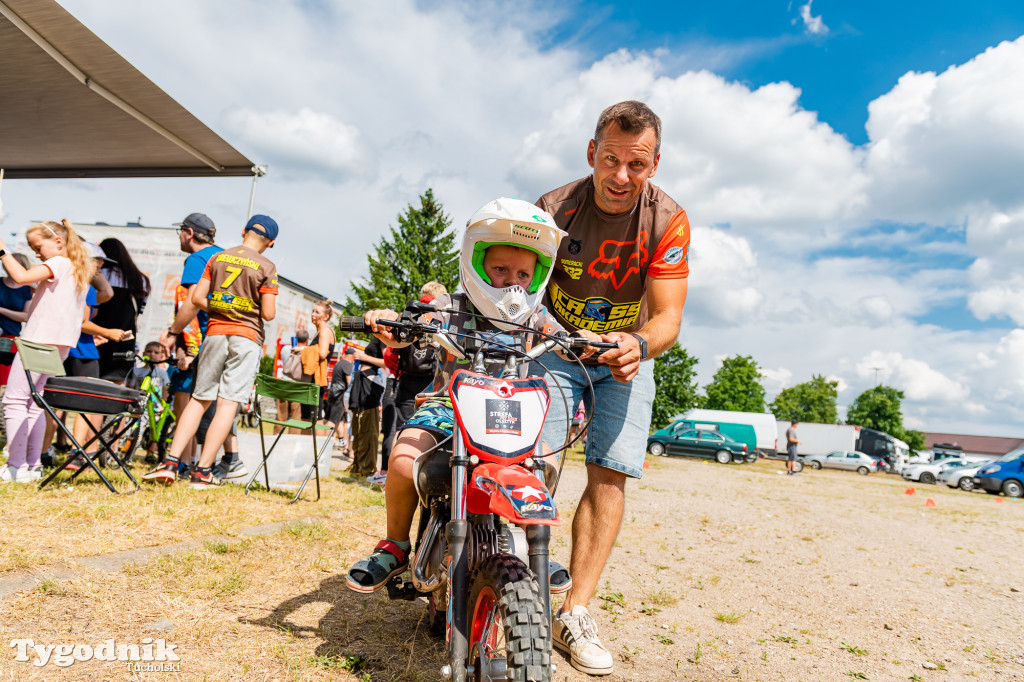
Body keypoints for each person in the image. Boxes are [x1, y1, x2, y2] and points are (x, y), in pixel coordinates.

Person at [345, 197, 599, 593]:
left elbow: (563, 337)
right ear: (475, 263)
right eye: (499, 269)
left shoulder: (537, 317)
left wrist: (585, 341)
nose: (510, 281)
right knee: (402, 456)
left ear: (536, 277)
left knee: (544, 462)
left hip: (511, 411)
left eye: (522, 273)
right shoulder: (453, 305)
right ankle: (395, 545)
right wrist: (392, 325)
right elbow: (418, 323)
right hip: (449, 406)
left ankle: (536, 547)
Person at [535, 101, 690, 676]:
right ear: (591, 154)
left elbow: (668, 317)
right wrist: (551, 332)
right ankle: (520, 592)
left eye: (638, 163)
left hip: (627, 353)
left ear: (655, 164)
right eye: (611, 159)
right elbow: (517, 291)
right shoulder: (551, 210)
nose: (622, 176)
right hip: (552, 342)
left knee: (610, 475)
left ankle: (573, 611)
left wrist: (639, 347)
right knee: (533, 463)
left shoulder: (669, 219)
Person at [141, 215, 278, 488]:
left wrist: (221, 307)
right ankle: (203, 470)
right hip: (247, 335)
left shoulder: (217, 258)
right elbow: (269, 313)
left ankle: (170, 462)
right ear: (270, 243)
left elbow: (196, 298)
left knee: (199, 399)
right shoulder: (267, 266)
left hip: (215, 332)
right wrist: (243, 308)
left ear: (243, 231)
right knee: (228, 403)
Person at [0, 221, 93, 482]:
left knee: (15, 400)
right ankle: (31, 465)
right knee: (35, 403)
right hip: (60, 344)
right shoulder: (77, 268)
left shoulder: (60, 263)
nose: (37, 255)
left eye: (38, 247)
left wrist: (3, 251)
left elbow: (20, 277)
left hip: (38, 341)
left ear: (59, 243)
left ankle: (16, 465)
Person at [151, 212, 222, 479]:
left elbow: (191, 303)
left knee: (187, 405)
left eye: (180, 232)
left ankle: (180, 463)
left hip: (200, 342)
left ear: (188, 233)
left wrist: (174, 334)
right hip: (223, 338)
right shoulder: (223, 255)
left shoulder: (197, 258)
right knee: (214, 406)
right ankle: (204, 462)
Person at [94, 238, 151, 384]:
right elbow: (139, 312)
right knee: (118, 381)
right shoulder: (140, 280)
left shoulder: (99, 275)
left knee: (92, 379)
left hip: (97, 334)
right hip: (126, 336)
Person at [347, 339, 384, 478]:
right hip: (361, 378)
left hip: (370, 381)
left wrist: (364, 357)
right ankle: (357, 465)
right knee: (357, 427)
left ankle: (367, 468)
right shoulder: (375, 337)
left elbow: (387, 362)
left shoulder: (384, 339)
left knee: (368, 429)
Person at [0, 253, 34, 387]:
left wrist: (2, 310)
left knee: (5, 375)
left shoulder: (27, 289)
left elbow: (25, 316)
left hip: (10, 338)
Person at [276, 329, 309, 435]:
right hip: (297, 387)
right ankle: (293, 440)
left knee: (281, 417)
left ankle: (275, 438)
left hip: (284, 385)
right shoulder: (307, 351)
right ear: (307, 340)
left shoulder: (285, 349)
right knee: (296, 418)